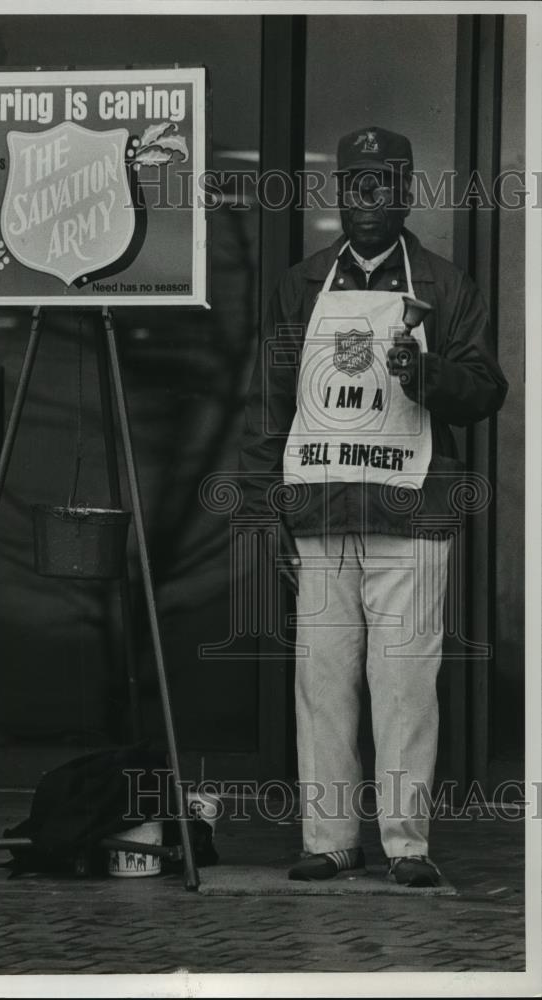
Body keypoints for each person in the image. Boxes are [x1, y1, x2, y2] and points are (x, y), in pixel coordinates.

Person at [238, 126, 508, 886]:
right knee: (320, 679)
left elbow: (486, 390)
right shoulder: (299, 285)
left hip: (412, 510)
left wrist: (426, 375)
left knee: (404, 681)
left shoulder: (446, 286)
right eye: (354, 185)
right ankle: (327, 839)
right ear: (335, 194)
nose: (367, 200)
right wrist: (265, 510)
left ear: (405, 193)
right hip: (318, 509)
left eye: (383, 185)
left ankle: (406, 845)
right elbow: (269, 404)